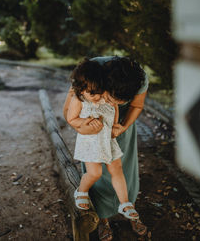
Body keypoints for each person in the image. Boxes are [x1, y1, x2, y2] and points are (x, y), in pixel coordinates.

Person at [63, 56, 149, 240]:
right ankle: (103, 218)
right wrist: (84, 127)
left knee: (122, 168)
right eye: (109, 98)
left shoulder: (138, 79)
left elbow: (136, 105)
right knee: (97, 174)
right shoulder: (89, 77)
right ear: (104, 85)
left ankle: (127, 205)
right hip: (91, 134)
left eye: (118, 102)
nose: (111, 103)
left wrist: (122, 126)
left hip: (116, 130)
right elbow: (68, 113)